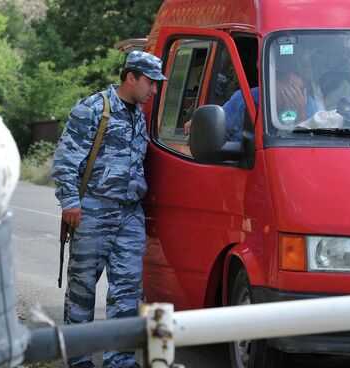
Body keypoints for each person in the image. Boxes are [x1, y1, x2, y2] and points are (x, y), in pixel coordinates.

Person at [51, 50, 166, 368]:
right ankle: (79, 359)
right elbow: (65, 159)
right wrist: (71, 201)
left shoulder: (138, 116)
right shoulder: (94, 108)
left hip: (130, 213)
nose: (154, 90)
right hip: (94, 210)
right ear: (131, 77)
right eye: (151, 83)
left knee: (128, 289)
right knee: (83, 287)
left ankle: (120, 360)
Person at [184, 71, 322, 140]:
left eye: (299, 89)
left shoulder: (315, 109)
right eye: (290, 86)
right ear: (275, 82)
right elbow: (218, 124)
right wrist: (201, 124)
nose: (293, 94)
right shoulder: (246, 98)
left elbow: (316, 146)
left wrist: (301, 115)